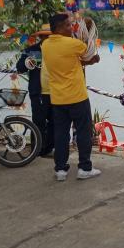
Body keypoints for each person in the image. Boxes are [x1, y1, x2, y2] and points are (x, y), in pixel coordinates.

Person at [42, 13, 101, 181]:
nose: (71, 28)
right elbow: (89, 56)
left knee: (60, 134)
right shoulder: (73, 44)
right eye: (68, 26)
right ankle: (84, 168)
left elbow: (71, 61)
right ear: (60, 28)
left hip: (58, 99)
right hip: (77, 97)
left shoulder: (45, 45)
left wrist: (84, 61)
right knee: (83, 132)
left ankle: (60, 170)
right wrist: (94, 60)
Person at [16, 24, 54, 157]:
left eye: (50, 35)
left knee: (55, 122)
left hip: (56, 92)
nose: (47, 38)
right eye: (45, 36)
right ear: (41, 37)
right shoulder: (31, 50)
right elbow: (20, 68)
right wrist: (28, 61)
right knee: (38, 121)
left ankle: (49, 149)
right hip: (38, 92)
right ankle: (36, 151)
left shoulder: (59, 49)